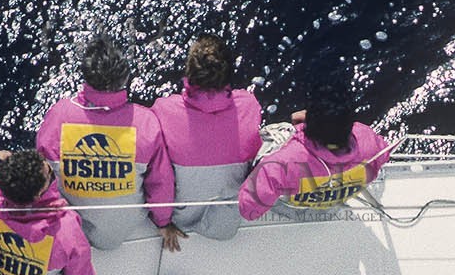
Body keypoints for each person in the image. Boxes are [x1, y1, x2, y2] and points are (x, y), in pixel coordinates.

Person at [37, 32, 177, 251]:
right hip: (128, 226)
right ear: (124, 79)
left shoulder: (58, 116)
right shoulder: (145, 122)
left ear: (85, 76)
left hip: (73, 226)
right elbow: (161, 183)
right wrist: (163, 222)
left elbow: (42, 181)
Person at [151, 35, 262, 245]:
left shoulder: (162, 110)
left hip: (181, 219)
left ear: (189, 74)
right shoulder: (250, 105)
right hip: (225, 225)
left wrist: (163, 221)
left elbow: (160, 178)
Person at [238, 87, 394, 222]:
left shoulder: (280, 164)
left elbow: (248, 211)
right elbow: (384, 154)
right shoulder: (369, 140)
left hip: (294, 210)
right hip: (330, 208)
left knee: (266, 148)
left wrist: (298, 130)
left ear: (309, 127)